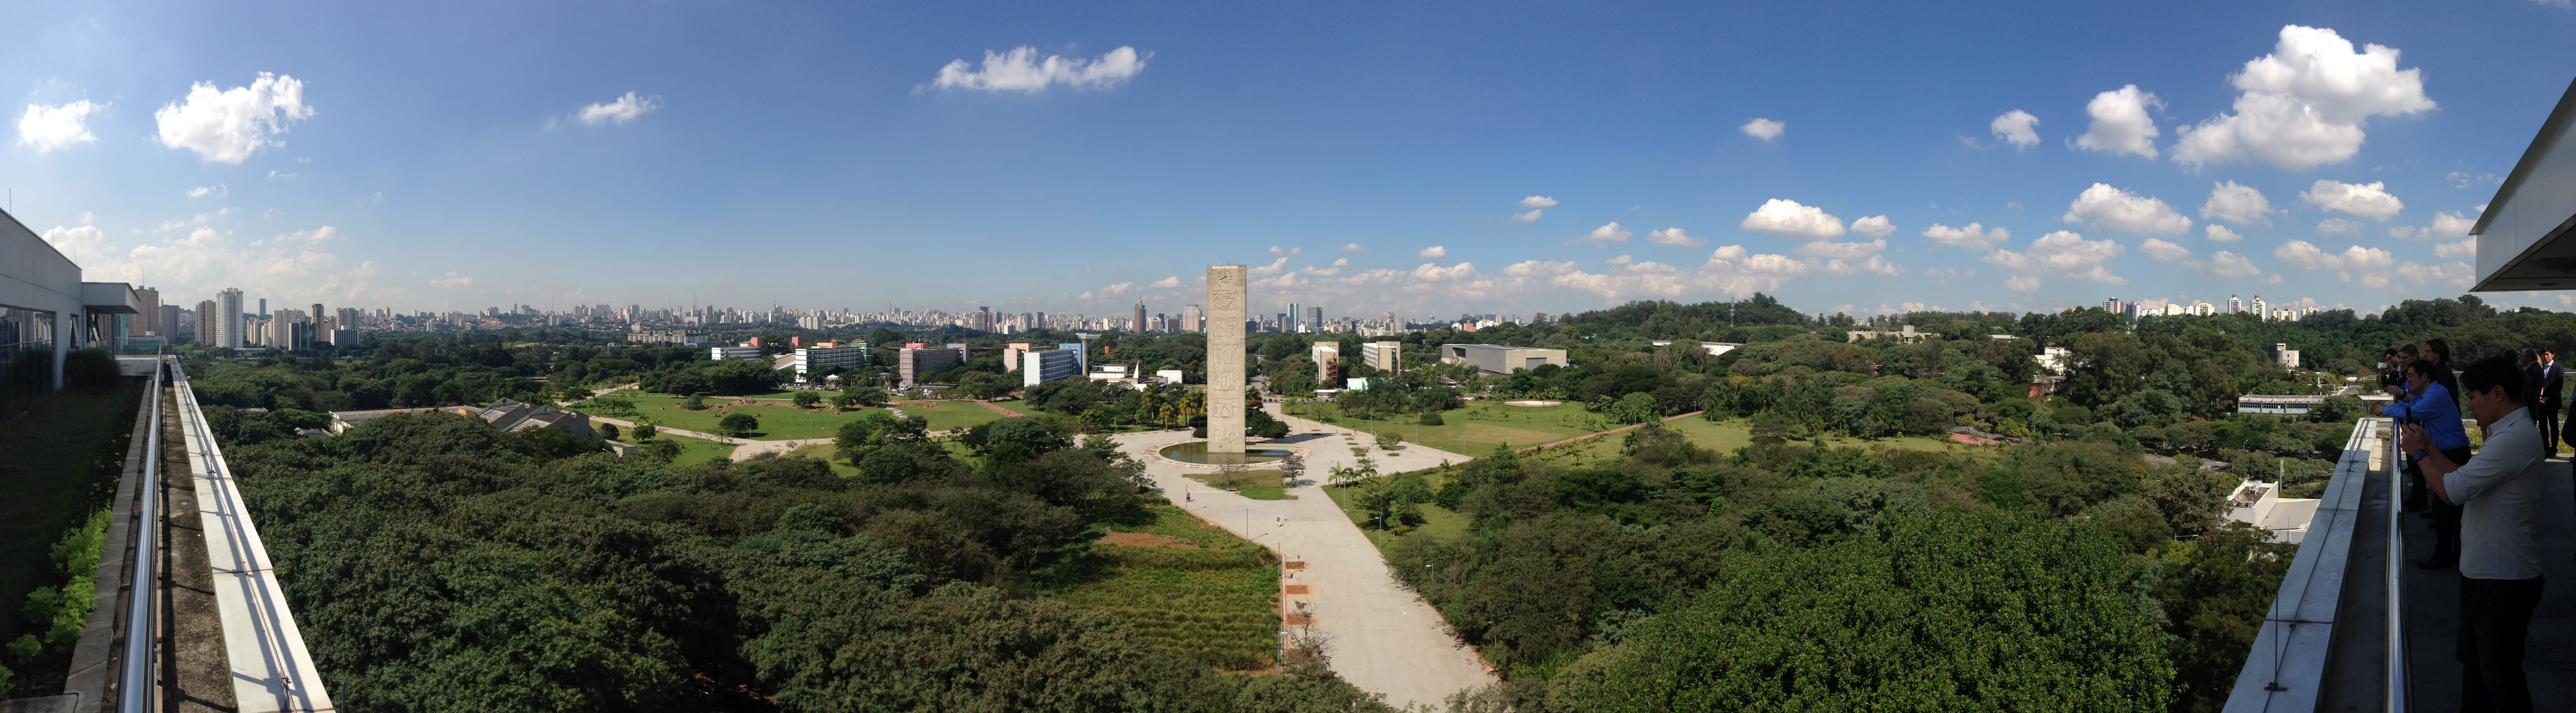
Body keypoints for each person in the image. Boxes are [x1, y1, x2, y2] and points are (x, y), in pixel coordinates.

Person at [2400, 355, 2547, 712]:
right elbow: (2463, 478)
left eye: (2472, 396)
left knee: (2500, 679)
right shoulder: (2510, 436)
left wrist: (2418, 454)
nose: (2468, 404)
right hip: (2488, 573)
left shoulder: (2512, 441)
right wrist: (2432, 448)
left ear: (2497, 394)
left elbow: (2451, 492)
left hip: (2501, 579)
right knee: (2479, 668)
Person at [2376, 359, 2467, 566]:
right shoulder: (2432, 393)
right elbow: (2414, 404)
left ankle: (2447, 555)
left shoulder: (2436, 396)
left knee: (2446, 508)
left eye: (2411, 376)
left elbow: (2413, 412)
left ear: (2424, 377)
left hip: (2453, 454)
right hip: (2450, 452)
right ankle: (2454, 554)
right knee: (2448, 508)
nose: (2407, 380)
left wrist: (2385, 411)